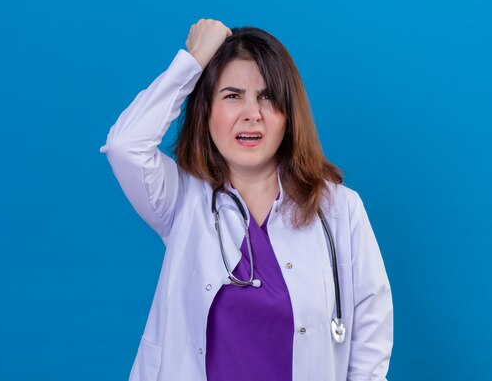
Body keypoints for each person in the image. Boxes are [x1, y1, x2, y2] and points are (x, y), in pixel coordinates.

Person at [100, 19, 393, 381]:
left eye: (268, 97)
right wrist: (193, 61)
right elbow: (125, 146)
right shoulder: (183, 199)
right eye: (232, 95)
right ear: (206, 111)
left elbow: (370, 334)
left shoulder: (338, 210)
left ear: (289, 116)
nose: (251, 113)